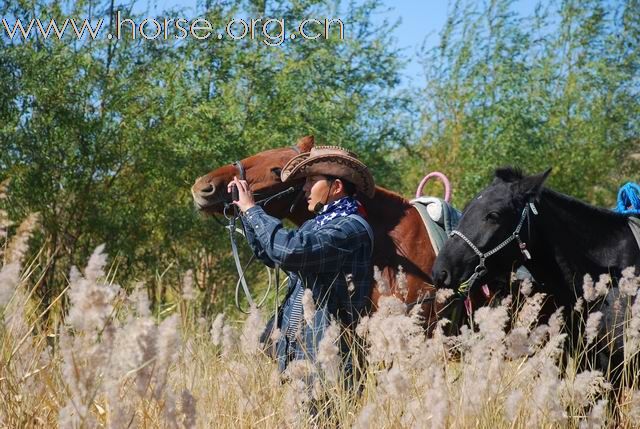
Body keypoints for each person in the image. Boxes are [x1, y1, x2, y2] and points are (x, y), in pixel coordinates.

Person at [228, 145, 375, 373]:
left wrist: (252, 210)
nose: (304, 188)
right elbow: (272, 254)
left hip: (328, 359)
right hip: (299, 353)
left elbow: (289, 250)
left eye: (311, 181)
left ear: (336, 187)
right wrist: (244, 211)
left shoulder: (351, 228)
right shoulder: (315, 225)